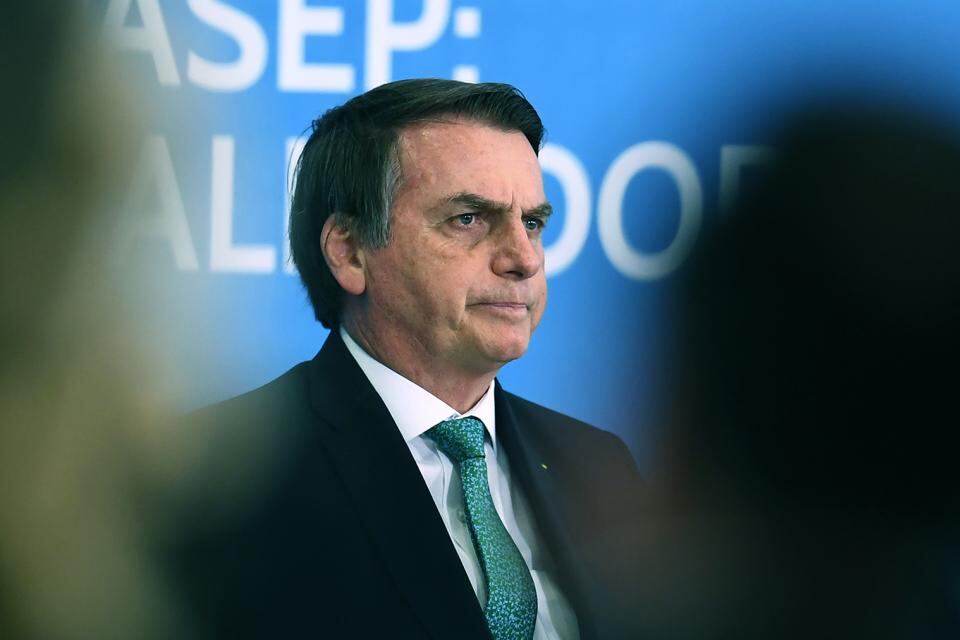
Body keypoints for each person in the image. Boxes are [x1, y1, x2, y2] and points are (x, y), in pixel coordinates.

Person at [174, 79, 642, 639]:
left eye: (532, 223)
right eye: (468, 218)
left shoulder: (598, 467)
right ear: (349, 251)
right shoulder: (229, 478)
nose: (524, 259)